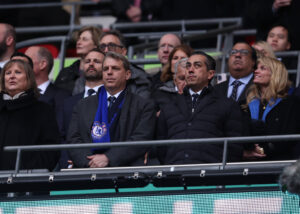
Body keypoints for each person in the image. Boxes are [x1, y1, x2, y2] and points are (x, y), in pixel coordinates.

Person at [67, 52, 155, 168]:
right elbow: (73, 139)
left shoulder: (144, 105)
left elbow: (140, 140)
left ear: (128, 74)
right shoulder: (82, 105)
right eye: (105, 69)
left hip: (126, 172)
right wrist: (89, 162)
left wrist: (108, 158)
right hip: (88, 172)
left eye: (115, 68)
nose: (109, 72)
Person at [157, 51, 244, 165]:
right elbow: (160, 146)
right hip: (175, 175)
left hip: (211, 176)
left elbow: (234, 147)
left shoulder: (227, 105)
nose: (191, 70)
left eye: (197, 65)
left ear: (210, 74)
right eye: (188, 66)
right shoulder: (169, 107)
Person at [0, 60, 60, 171]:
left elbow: (51, 149)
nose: (12, 76)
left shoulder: (43, 110)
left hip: (26, 181)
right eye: (8, 73)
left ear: (29, 79)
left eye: (18, 72)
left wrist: (28, 170)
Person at [243, 56, 300, 161]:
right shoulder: (245, 104)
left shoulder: (290, 103)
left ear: (275, 74)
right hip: (247, 164)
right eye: (256, 68)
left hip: (279, 163)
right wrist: (246, 151)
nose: (256, 71)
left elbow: (289, 138)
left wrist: (264, 149)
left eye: (262, 68)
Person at [99, 30, 152, 98]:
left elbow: (142, 106)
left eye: (111, 46)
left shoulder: (138, 78)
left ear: (123, 52)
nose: (106, 50)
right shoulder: (90, 74)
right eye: (102, 47)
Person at [25, 46, 70, 125]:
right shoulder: (17, 94)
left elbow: (60, 129)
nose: (21, 65)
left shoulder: (62, 96)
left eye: (27, 61)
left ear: (42, 64)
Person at [54, 26, 102, 94]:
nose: (78, 42)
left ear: (96, 45)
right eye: (79, 39)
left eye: (84, 39)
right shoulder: (65, 73)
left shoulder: (103, 72)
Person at [214, 42, 257, 106]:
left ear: (253, 61)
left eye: (244, 52)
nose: (238, 55)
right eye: (233, 52)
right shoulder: (216, 89)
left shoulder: (260, 86)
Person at [152, 44, 192, 110]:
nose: (178, 61)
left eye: (183, 58)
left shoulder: (198, 89)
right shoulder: (159, 90)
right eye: (175, 58)